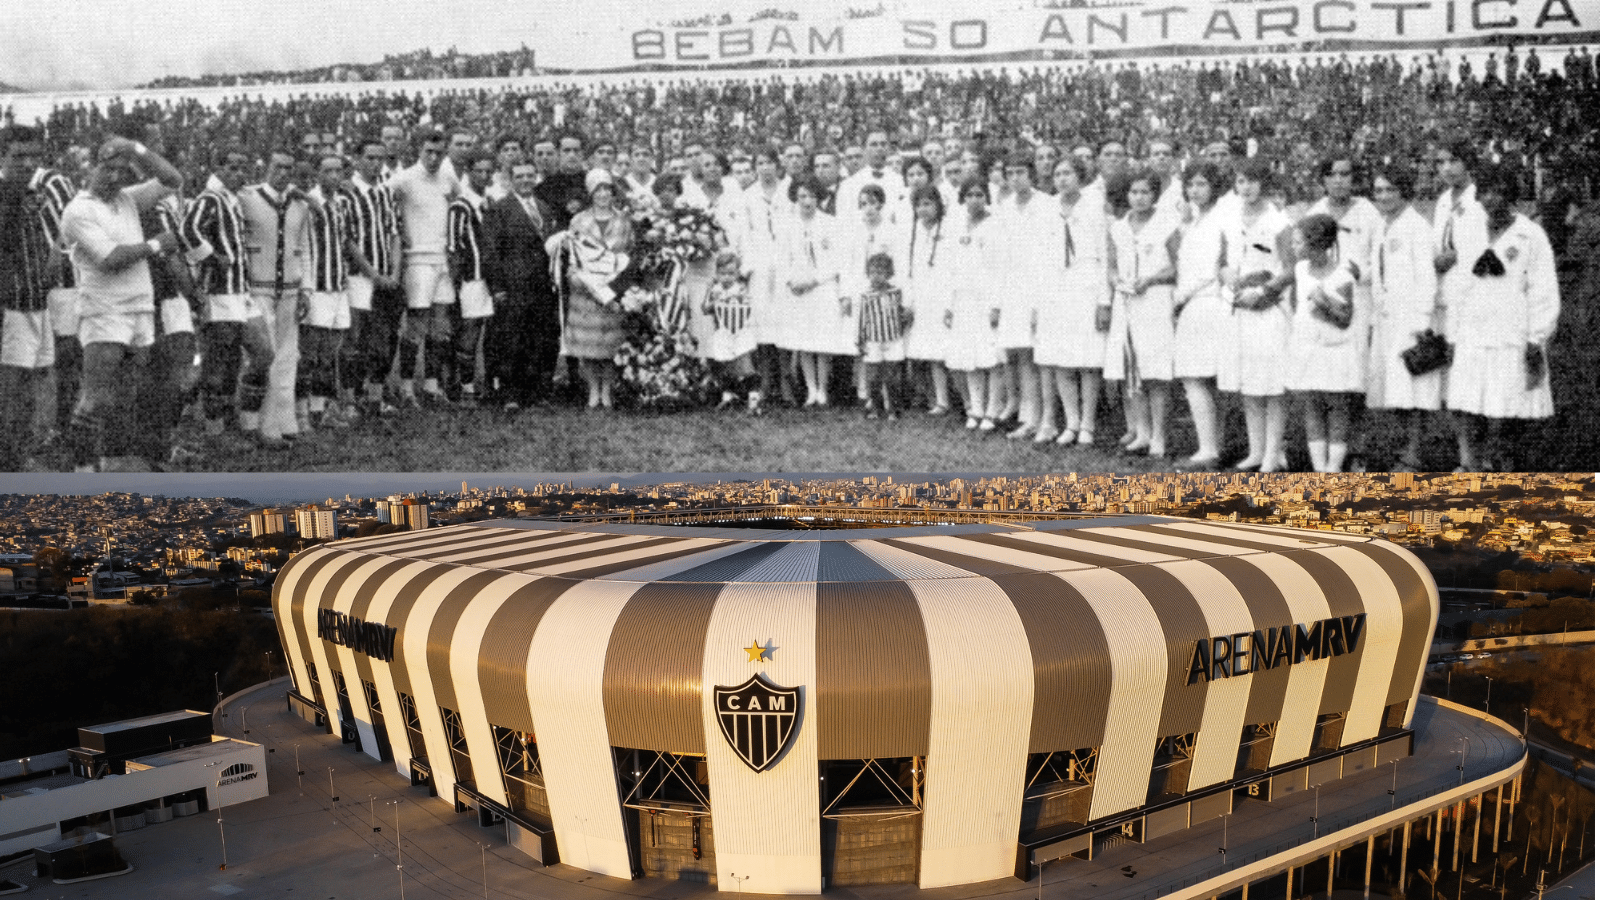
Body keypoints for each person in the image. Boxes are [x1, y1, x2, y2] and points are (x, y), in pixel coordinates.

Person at [58, 135, 183, 470]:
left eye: (120, 170)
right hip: (104, 311)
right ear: (90, 168)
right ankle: (82, 471)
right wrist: (157, 245)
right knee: (96, 398)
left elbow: (173, 180)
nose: (113, 177)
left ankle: (113, 464)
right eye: (106, 169)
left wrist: (137, 149)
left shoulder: (127, 199)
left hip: (139, 308)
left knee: (124, 397)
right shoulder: (78, 210)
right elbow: (111, 258)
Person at [1443, 163, 1559, 471]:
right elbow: (1459, 284)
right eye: (1485, 192)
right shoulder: (1468, 229)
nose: (1491, 199)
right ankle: (1469, 464)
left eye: (1499, 192)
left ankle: (1498, 463)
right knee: (1466, 403)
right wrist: (1452, 333)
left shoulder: (1530, 235)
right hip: (1472, 327)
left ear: (1511, 196)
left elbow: (1543, 288)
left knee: (1505, 407)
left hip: (1511, 330)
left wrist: (1537, 338)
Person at [1218, 157, 1295, 472]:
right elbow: (1222, 262)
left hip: (1270, 309)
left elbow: (1291, 268)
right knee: (1249, 383)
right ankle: (1256, 450)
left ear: (1264, 184)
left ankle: (1273, 454)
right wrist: (1228, 280)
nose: (1246, 187)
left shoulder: (1279, 221)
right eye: (1240, 181)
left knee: (1272, 385)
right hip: (1240, 308)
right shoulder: (1229, 218)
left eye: (1251, 181)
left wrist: (1266, 293)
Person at [1366, 163, 1441, 470]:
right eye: (1379, 191)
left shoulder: (1417, 227)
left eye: (1390, 190)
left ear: (1404, 193)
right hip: (1387, 316)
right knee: (1392, 387)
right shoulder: (1384, 224)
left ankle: (1414, 454)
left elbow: (1426, 278)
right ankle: (1403, 448)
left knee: (1413, 388)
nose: (1383, 196)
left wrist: (1422, 322)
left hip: (1410, 317)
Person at [181, 146, 261, 435]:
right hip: (218, 292)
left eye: (243, 167)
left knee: (258, 353)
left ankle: (196, 400)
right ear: (218, 169)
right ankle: (215, 427)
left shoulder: (234, 197)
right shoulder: (209, 198)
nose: (240, 173)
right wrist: (212, 257)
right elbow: (187, 231)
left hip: (241, 291)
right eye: (233, 167)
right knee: (219, 360)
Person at [236, 148, 312, 447]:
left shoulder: (300, 205)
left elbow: (304, 249)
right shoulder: (248, 198)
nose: (283, 173)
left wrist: (306, 288)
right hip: (258, 289)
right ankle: (259, 426)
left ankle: (284, 420)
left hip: (291, 290)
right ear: (266, 167)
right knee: (262, 356)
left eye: (288, 169)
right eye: (277, 167)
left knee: (287, 356)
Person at [1035, 155, 1110, 447]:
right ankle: (1071, 422)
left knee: (1088, 360)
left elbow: (1104, 255)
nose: (1062, 179)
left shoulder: (1094, 207)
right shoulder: (1048, 208)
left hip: (1086, 286)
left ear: (1080, 176)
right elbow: (1041, 257)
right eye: (1057, 174)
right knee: (1062, 360)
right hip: (1056, 290)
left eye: (1068, 173)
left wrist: (1104, 301)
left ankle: (1088, 425)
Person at [1107, 168, 1180, 459]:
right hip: (1125, 303)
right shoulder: (1118, 227)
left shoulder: (1167, 224)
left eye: (1145, 192)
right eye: (1134, 192)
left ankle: (1159, 436)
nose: (1139, 198)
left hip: (1155, 302)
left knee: (1155, 371)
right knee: (1130, 368)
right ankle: (1142, 431)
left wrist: (1150, 280)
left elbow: (1177, 267)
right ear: (1127, 195)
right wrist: (1116, 281)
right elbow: (1112, 266)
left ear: (1155, 195)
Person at [1285, 214, 1364, 472]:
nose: (1294, 247)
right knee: (1312, 406)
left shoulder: (1342, 275)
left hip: (1335, 352)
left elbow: (1344, 319)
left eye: (1298, 242)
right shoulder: (1299, 270)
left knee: (1337, 407)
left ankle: (1334, 467)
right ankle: (1319, 468)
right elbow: (1299, 309)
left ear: (1316, 243)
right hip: (1308, 350)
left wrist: (1325, 303)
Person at [388, 130, 459, 405]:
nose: (433, 157)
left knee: (440, 326)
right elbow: (382, 202)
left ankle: (430, 386)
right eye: (428, 151)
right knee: (416, 325)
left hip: (442, 259)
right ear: (419, 150)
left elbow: (457, 201)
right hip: (417, 260)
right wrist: (399, 230)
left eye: (439, 153)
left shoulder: (447, 176)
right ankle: (406, 387)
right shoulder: (404, 178)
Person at [0, 126, 56, 469]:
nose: (27, 162)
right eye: (19, 156)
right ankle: (11, 466)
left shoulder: (30, 194)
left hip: (36, 303)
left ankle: (18, 459)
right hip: (13, 308)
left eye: (33, 156)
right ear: (3, 156)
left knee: (28, 391)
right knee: (13, 392)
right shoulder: (5, 195)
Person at [482, 160, 559, 410]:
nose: (525, 180)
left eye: (529, 175)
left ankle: (535, 392)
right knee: (510, 340)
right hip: (513, 285)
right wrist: (497, 287)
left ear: (536, 177)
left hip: (541, 285)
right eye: (519, 176)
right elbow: (491, 251)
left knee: (537, 338)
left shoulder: (544, 209)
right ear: (511, 180)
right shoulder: (500, 209)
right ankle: (509, 393)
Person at [339, 137, 403, 416]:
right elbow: (348, 241)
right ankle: (351, 400)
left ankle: (376, 397)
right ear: (357, 159)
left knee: (386, 337)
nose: (376, 164)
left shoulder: (385, 191)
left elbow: (395, 233)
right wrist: (373, 274)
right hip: (359, 277)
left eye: (381, 159)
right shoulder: (346, 194)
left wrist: (395, 271)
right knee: (356, 339)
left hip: (388, 275)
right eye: (370, 158)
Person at [1171, 162, 1229, 467]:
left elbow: (1210, 269)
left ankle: (1209, 448)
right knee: (1200, 378)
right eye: (1191, 185)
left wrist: (1178, 298)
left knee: (1197, 376)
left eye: (1202, 184)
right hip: (1196, 302)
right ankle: (1212, 446)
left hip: (1207, 301)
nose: (1196, 190)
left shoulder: (1220, 218)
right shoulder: (1194, 220)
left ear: (1215, 186)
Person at [558, 169, 631, 409]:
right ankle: (593, 390)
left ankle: (607, 390)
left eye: (607, 189)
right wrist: (581, 280)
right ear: (591, 193)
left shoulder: (623, 220)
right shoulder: (579, 220)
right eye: (598, 190)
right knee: (589, 348)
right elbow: (573, 257)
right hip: (585, 292)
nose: (603, 194)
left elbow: (628, 256)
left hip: (612, 291)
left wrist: (616, 288)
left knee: (610, 347)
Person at [297, 151, 357, 430]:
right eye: (328, 171)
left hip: (338, 286)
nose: (334, 176)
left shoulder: (342, 203)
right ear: (317, 174)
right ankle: (301, 411)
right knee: (310, 353)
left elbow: (344, 243)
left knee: (331, 352)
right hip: (317, 286)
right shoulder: (307, 203)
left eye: (338, 171)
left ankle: (320, 410)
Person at [775, 176, 847, 407]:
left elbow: (837, 260)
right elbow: (781, 258)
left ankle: (824, 389)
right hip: (797, 290)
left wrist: (814, 280)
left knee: (823, 342)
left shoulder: (831, 223)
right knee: (804, 341)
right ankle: (811, 390)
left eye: (812, 196)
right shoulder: (787, 224)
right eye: (803, 196)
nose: (807, 201)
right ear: (795, 198)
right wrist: (791, 281)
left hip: (823, 287)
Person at [995, 151, 1049, 440]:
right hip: (1013, 286)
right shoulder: (1004, 207)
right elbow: (1000, 254)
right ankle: (1028, 416)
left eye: (1021, 173)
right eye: (1010, 173)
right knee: (1018, 354)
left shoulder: (1046, 205)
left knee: (1035, 356)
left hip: (1039, 286)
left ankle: (1040, 418)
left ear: (1032, 174)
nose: (1015, 178)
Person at [944, 179, 1004, 431]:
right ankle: (976, 408)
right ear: (962, 198)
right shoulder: (956, 224)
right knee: (969, 356)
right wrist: (949, 304)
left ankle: (992, 410)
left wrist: (996, 304)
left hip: (987, 297)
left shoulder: (995, 225)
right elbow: (951, 266)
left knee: (992, 357)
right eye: (969, 195)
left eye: (980, 195)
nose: (974, 200)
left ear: (987, 197)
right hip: (963, 298)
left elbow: (1000, 268)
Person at [447, 149, 497, 405]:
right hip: (471, 279)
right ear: (468, 172)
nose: (484, 175)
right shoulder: (460, 206)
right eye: (479, 170)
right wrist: (457, 284)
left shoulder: (489, 202)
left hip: (490, 279)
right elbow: (454, 248)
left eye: (489, 171)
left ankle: (489, 384)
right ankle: (465, 388)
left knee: (490, 334)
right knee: (469, 334)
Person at [900, 184, 952, 416]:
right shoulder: (912, 231)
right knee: (921, 352)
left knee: (939, 354)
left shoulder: (949, 228)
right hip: (920, 296)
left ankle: (945, 399)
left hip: (941, 296)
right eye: (918, 205)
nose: (923, 209)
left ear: (938, 205)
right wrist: (908, 302)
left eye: (928, 204)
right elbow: (907, 269)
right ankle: (931, 398)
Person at [856, 251, 910, 419]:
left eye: (880, 273)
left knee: (892, 377)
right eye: (872, 273)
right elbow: (861, 319)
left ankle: (893, 409)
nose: (875, 277)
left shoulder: (895, 292)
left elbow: (902, 314)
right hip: (873, 340)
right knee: (873, 377)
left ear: (888, 274)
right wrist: (860, 339)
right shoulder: (866, 295)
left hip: (892, 339)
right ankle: (876, 408)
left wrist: (901, 326)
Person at [701, 248, 757, 410]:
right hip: (723, 333)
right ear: (717, 273)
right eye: (723, 273)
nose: (727, 277)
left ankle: (754, 397)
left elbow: (746, 309)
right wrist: (711, 297)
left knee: (745, 365)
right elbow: (705, 309)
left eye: (731, 273)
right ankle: (728, 396)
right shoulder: (715, 289)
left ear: (737, 273)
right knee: (725, 365)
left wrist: (734, 299)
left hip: (740, 332)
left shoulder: (740, 289)